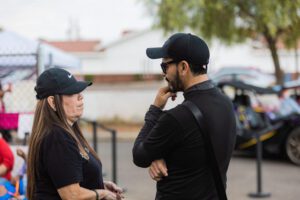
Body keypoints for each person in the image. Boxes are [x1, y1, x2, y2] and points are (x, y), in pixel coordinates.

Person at [132, 33, 236, 200]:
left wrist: (155, 109)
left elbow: (139, 155)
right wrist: (160, 153)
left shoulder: (177, 118)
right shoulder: (226, 104)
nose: (164, 74)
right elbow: (192, 149)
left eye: (165, 66)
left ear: (183, 67)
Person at [27, 68, 123, 200]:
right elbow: (71, 195)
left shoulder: (64, 132)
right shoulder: (57, 137)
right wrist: (102, 193)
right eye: (71, 92)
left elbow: (66, 179)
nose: (80, 96)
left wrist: (99, 185)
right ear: (52, 102)